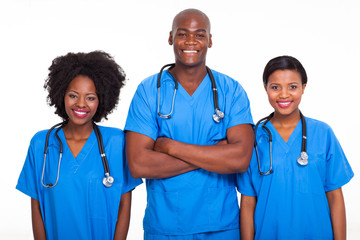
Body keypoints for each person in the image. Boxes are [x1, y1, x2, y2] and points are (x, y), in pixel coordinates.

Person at [125, 8, 254, 239]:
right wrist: (215, 154)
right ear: (170, 38)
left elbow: (240, 159)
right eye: (183, 34)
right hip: (165, 227)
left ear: (210, 40)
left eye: (200, 34)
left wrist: (170, 147)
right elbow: (138, 164)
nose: (191, 41)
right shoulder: (148, 91)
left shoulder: (231, 90)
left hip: (221, 226)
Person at [16, 51, 142, 240]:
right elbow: (37, 206)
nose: (81, 104)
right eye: (73, 95)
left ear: (102, 100)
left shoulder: (116, 141)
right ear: (61, 95)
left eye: (90, 97)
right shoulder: (41, 144)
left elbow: (124, 203)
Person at [237, 55, 354, 240]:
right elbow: (248, 201)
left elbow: (335, 196)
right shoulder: (253, 136)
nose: (284, 94)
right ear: (265, 88)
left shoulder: (323, 133)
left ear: (303, 88)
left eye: (292, 87)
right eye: (275, 87)